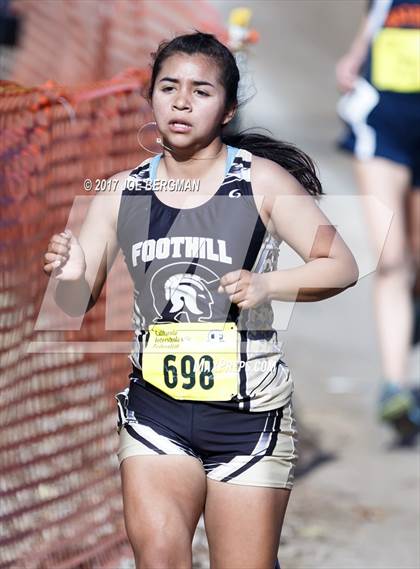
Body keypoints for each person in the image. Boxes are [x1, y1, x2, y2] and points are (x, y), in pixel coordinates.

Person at [44, 31, 358, 569]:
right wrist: (69, 275)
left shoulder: (262, 181)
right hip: (156, 413)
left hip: (249, 419)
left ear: (228, 107)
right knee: (160, 557)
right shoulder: (120, 193)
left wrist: (267, 286)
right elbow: (73, 303)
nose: (182, 102)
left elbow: (341, 265)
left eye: (201, 91)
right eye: (168, 87)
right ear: (151, 99)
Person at [336, 0, 420, 441]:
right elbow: (376, 15)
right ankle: (395, 386)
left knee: (415, 267)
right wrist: (354, 56)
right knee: (391, 259)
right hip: (382, 125)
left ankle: (410, 317)